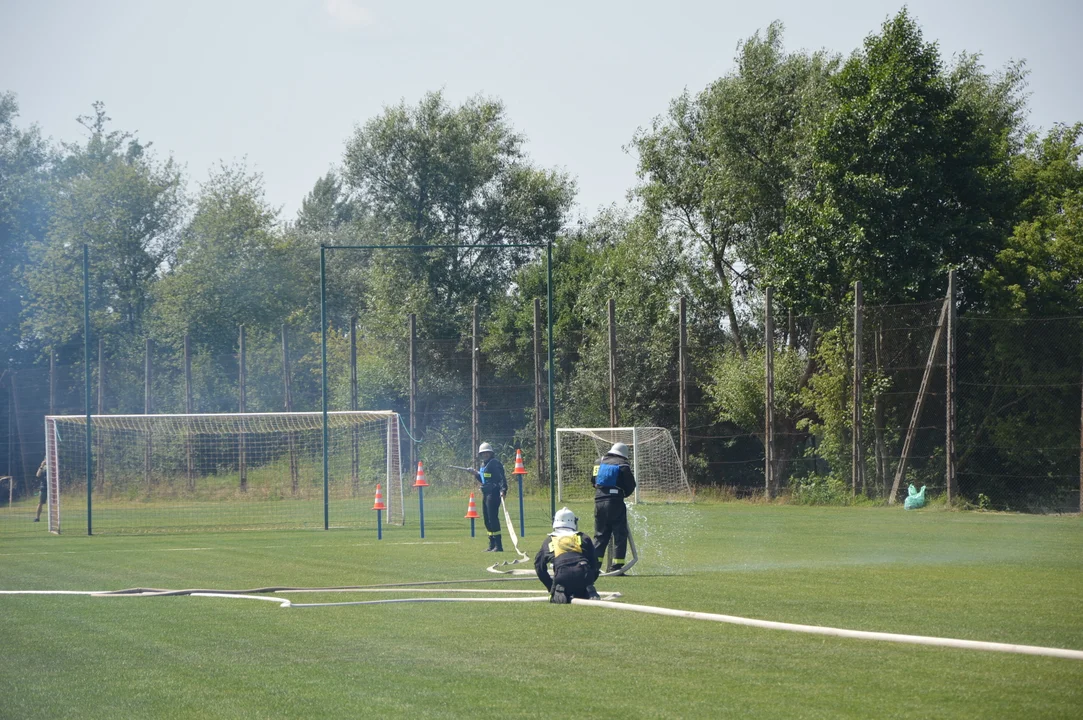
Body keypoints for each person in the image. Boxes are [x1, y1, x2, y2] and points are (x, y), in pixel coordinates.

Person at [534, 507, 601, 603]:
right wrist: (591, 580)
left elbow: (539, 567)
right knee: (582, 590)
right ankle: (587, 589)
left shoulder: (549, 541)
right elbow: (594, 562)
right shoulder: (583, 537)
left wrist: (551, 587)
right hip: (584, 574)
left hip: (562, 576)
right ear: (574, 522)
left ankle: (560, 589)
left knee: (560, 593)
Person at [591, 442, 637, 572]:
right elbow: (631, 484)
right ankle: (616, 566)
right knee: (619, 533)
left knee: (600, 534)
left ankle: (595, 565)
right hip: (615, 502)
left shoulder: (598, 462)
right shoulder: (623, 464)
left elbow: (593, 481)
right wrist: (623, 494)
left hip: (599, 500)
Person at [475, 442, 507, 552]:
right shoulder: (484, 465)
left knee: (493, 519)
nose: (485, 455)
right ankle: (492, 543)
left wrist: (503, 490)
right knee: (487, 520)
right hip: (486, 494)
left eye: (487, 452)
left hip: (493, 494)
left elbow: (501, 478)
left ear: (491, 453)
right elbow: (484, 480)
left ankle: (499, 545)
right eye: (483, 453)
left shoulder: (494, 463)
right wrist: (475, 474)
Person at [33, 458, 47, 522]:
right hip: (44, 487)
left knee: (55, 502)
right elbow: (37, 475)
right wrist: (42, 466)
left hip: (52, 487)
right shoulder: (43, 468)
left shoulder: (53, 466)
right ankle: (37, 518)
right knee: (41, 502)